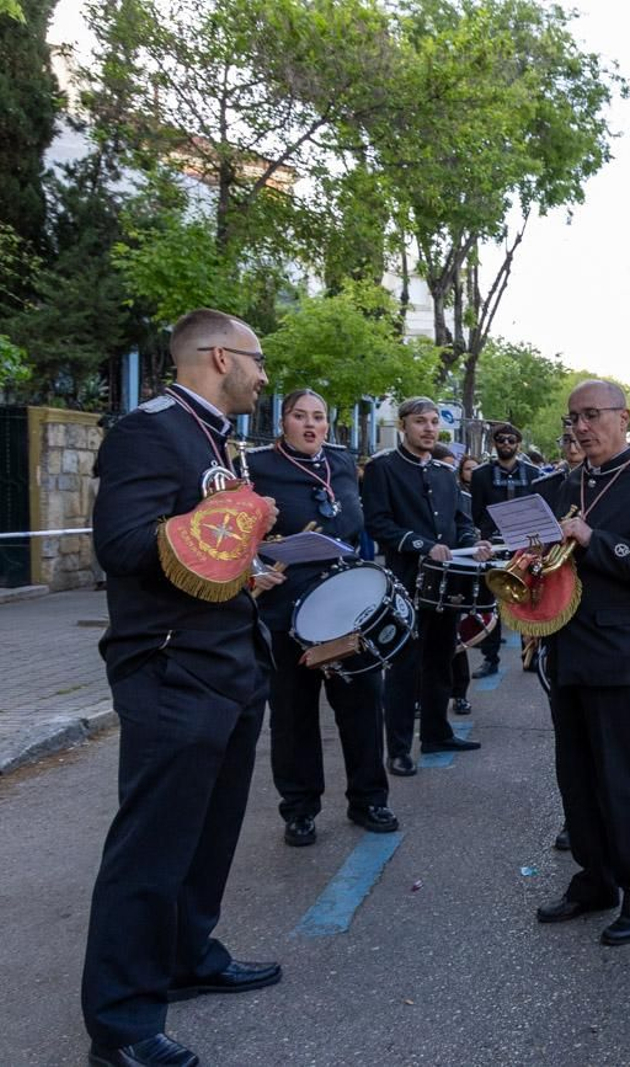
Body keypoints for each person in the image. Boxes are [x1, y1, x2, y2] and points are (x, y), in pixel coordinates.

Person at [82, 308, 282, 1067]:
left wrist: (249, 562)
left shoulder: (216, 438)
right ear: (222, 357)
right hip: (171, 669)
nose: (264, 377)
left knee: (208, 836)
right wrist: (221, 523)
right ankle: (123, 1026)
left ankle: (188, 956)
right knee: (151, 850)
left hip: (230, 660)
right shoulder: (148, 429)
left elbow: (209, 554)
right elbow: (124, 543)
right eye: (257, 361)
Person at [532, 381, 630, 947]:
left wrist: (593, 538)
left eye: (592, 415)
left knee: (629, 781)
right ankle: (595, 879)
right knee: (577, 778)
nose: (580, 427)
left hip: (622, 653)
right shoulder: (563, 484)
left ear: (624, 418)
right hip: (565, 646)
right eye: (573, 416)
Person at [249, 389, 397, 848]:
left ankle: (368, 798)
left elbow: (356, 524)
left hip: (345, 609)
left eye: (318, 417)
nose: (310, 425)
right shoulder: (256, 467)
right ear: (283, 422)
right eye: (299, 416)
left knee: (362, 707)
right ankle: (299, 809)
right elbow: (238, 537)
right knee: (293, 716)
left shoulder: (341, 462)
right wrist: (255, 570)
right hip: (285, 610)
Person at [362, 397, 492, 777]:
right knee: (404, 668)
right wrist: (423, 545)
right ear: (404, 425)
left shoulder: (443, 472)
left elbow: (459, 520)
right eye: (421, 422)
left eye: (434, 422)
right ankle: (399, 749)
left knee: (441, 660)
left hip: (446, 584)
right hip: (406, 582)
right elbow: (378, 524)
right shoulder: (383, 468)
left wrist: (474, 540)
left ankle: (436, 733)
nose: (430, 429)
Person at [470, 422, 540, 678]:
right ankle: (490, 659)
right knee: (488, 604)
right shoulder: (480, 475)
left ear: (518, 443)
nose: (506, 445)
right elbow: (476, 512)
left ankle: (530, 653)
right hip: (494, 546)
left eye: (511, 440)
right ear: (494, 443)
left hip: (525, 546)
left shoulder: (533, 473)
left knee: (527, 601)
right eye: (501, 440)